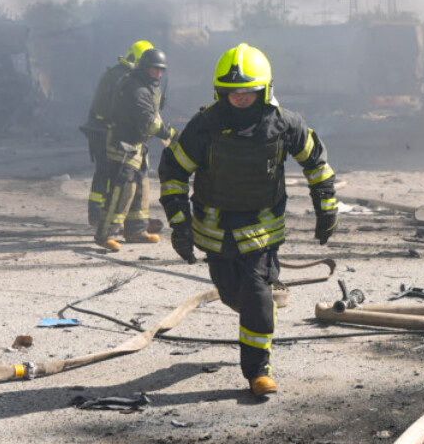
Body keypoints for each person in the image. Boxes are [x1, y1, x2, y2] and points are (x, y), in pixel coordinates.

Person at [157, 43, 337, 396]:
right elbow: (174, 171)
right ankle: (263, 304)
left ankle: (258, 370)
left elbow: (316, 163)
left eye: (248, 92)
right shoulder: (205, 126)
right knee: (232, 294)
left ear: (264, 90)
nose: (240, 98)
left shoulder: (284, 124)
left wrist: (326, 207)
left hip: (261, 229)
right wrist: (179, 224)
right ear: (220, 92)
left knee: (255, 294)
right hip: (216, 231)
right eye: (233, 92)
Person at [95, 46, 175, 250]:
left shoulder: (147, 86)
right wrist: (171, 134)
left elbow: (154, 114)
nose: (158, 74)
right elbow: (149, 122)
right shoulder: (135, 88)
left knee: (141, 186)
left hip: (137, 145)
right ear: (145, 68)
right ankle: (105, 234)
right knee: (122, 188)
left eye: (161, 70)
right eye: (155, 69)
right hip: (123, 144)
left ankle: (136, 231)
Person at [82, 40, 153, 228]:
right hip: (106, 130)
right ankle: (101, 215)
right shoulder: (125, 78)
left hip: (100, 128)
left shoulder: (116, 73)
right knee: (111, 173)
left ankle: (106, 215)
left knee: (106, 172)